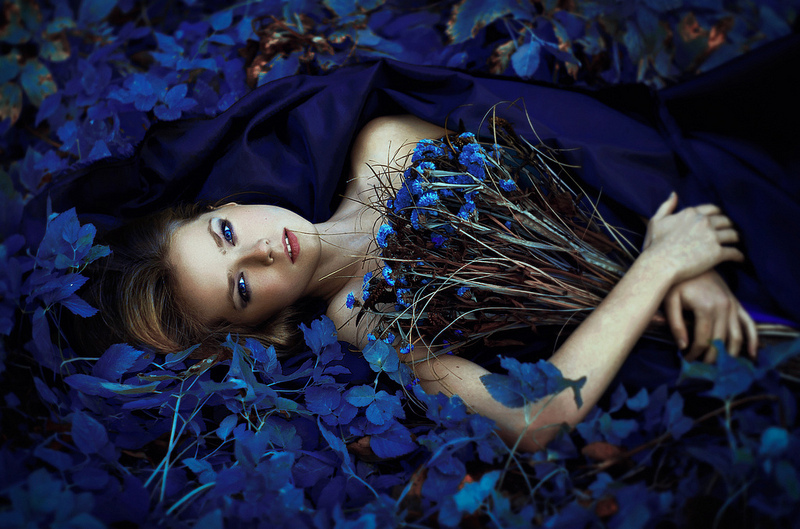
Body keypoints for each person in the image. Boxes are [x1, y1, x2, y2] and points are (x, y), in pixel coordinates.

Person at [44, 35, 799, 452]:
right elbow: (531, 418)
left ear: (229, 202)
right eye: (242, 285)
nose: (262, 251)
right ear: (264, 326)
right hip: (660, 322)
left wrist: (689, 254)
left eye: (227, 233)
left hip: (699, 199)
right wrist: (660, 266)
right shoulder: (360, 317)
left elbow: (587, 147)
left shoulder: (387, 141)